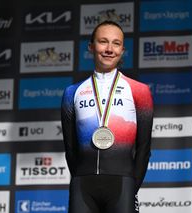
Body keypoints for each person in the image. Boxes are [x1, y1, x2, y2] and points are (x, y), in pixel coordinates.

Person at [61, 20, 154, 213]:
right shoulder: (72, 92)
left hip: (122, 185)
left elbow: (144, 148)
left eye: (116, 43)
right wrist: (81, 176)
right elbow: (70, 148)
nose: (109, 49)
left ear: (122, 49)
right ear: (91, 46)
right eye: (103, 41)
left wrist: (132, 186)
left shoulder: (139, 90)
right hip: (82, 185)